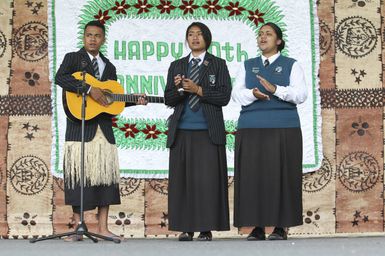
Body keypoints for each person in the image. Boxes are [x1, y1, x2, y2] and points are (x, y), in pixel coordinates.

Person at [55, 20, 147, 241]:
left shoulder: (110, 66)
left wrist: (135, 101)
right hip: (80, 127)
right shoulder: (73, 58)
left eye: (97, 36)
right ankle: (78, 227)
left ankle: (103, 227)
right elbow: (60, 78)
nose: (92, 39)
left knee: (106, 178)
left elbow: (111, 99)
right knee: (79, 178)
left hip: (103, 130)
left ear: (103, 39)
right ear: (83, 37)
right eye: (88, 35)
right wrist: (88, 88)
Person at [232, 22, 307, 240]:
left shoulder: (291, 65)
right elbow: (236, 95)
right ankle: (256, 227)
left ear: (279, 41)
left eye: (268, 34)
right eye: (260, 34)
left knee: (282, 176)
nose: (263, 37)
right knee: (252, 177)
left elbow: (300, 95)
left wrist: (276, 90)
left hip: (284, 128)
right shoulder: (248, 65)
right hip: (251, 127)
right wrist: (253, 95)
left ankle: (281, 226)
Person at [164, 22, 232, 241]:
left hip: (208, 131)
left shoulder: (218, 64)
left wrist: (198, 90)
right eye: (190, 34)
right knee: (183, 182)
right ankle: (186, 228)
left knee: (207, 182)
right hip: (182, 131)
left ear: (207, 39)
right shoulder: (177, 65)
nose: (194, 38)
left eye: (199, 34)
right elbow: (169, 99)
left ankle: (205, 228)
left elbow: (224, 97)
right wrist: (179, 89)